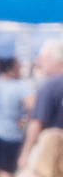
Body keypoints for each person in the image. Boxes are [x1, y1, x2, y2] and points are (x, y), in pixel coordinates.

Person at [17, 39, 63, 168]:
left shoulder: (50, 85)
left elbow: (37, 122)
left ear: (56, 60)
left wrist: (26, 153)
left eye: (43, 57)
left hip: (51, 152)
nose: (39, 61)